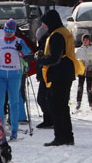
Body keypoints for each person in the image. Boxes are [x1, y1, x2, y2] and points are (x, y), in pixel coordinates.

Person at [36, 10, 85, 146]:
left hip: (60, 74)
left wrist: (40, 60)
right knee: (62, 106)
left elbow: (55, 58)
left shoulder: (57, 35)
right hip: (65, 72)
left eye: (45, 24)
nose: (44, 26)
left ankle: (61, 137)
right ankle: (67, 136)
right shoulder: (63, 31)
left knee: (57, 106)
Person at [0, 19, 31, 141]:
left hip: (14, 75)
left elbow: (28, 53)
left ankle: (14, 131)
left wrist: (21, 48)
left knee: (13, 103)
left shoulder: (19, 41)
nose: (8, 33)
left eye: (11, 31)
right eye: (6, 30)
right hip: (0, 75)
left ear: (14, 31)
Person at [34, 25, 54, 129]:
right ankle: (48, 119)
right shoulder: (42, 44)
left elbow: (42, 61)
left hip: (47, 75)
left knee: (43, 98)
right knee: (44, 98)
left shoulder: (45, 45)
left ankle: (51, 119)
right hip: (44, 75)